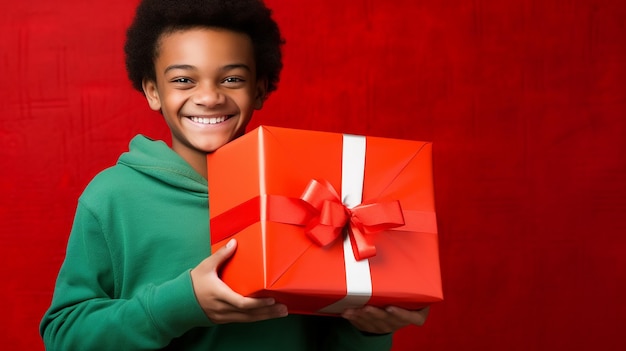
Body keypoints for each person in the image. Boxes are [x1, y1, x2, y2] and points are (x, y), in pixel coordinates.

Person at [39, 0, 430, 349]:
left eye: (231, 79)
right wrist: (181, 304)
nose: (209, 96)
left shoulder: (314, 195)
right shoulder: (112, 196)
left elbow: (325, 333)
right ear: (152, 91)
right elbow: (64, 335)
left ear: (259, 90)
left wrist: (369, 331)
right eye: (183, 80)